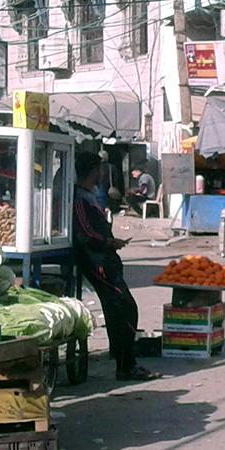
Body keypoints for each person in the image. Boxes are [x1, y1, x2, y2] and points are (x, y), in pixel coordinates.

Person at [73, 154, 157, 382]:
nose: (101, 174)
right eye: (99, 170)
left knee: (118, 310)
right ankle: (126, 365)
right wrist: (108, 242)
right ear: (92, 171)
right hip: (97, 261)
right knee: (125, 307)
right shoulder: (80, 198)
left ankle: (123, 361)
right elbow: (84, 233)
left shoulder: (89, 196)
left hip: (106, 259)